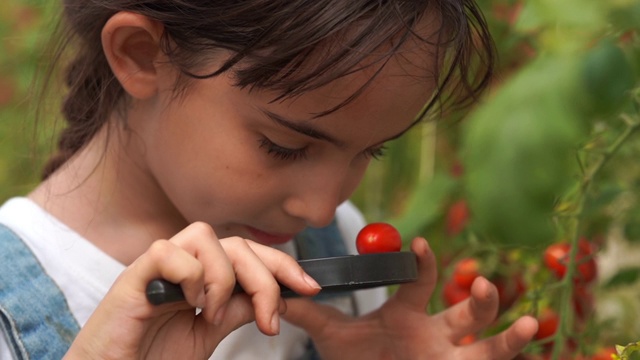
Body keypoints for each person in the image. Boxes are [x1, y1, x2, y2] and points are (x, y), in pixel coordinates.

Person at [0, 0, 539, 359]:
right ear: (141, 56)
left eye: (371, 150)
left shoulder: (333, 248)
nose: (323, 208)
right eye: (283, 146)